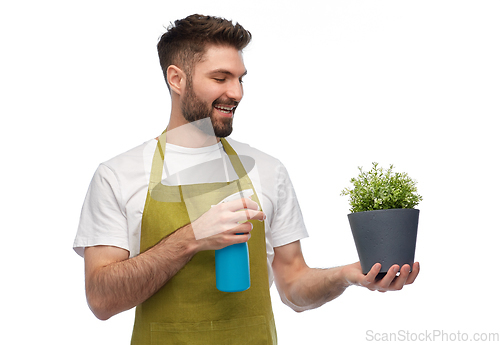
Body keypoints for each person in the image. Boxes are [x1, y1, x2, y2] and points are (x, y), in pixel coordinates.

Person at [74, 14, 419, 344]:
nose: (237, 93)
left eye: (240, 79)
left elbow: (294, 286)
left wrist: (348, 275)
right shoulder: (117, 176)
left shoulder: (269, 170)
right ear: (176, 79)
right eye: (221, 78)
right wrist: (192, 238)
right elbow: (102, 300)